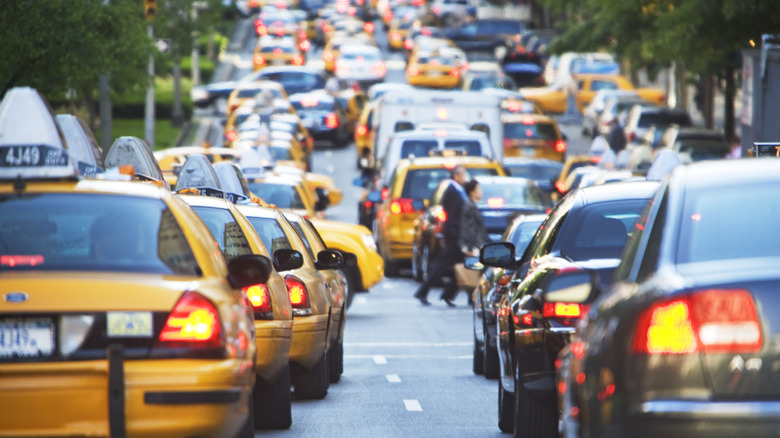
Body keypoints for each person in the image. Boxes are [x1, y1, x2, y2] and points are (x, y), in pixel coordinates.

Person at [414, 164, 469, 307]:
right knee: (444, 265)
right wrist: (456, 234)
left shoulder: (458, 190)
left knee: (463, 265)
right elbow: (452, 216)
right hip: (454, 235)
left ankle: (448, 295)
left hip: (457, 234)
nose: (465, 177)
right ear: (456, 176)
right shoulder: (451, 191)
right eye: (463, 174)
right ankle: (425, 292)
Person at [456, 179, 489, 306]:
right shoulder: (469, 207)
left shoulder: (472, 206)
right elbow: (468, 228)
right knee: (478, 270)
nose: (481, 192)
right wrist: (469, 248)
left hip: (477, 244)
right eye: (478, 189)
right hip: (474, 246)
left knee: (477, 270)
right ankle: (473, 296)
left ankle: (473, 296)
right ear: (472, 192)